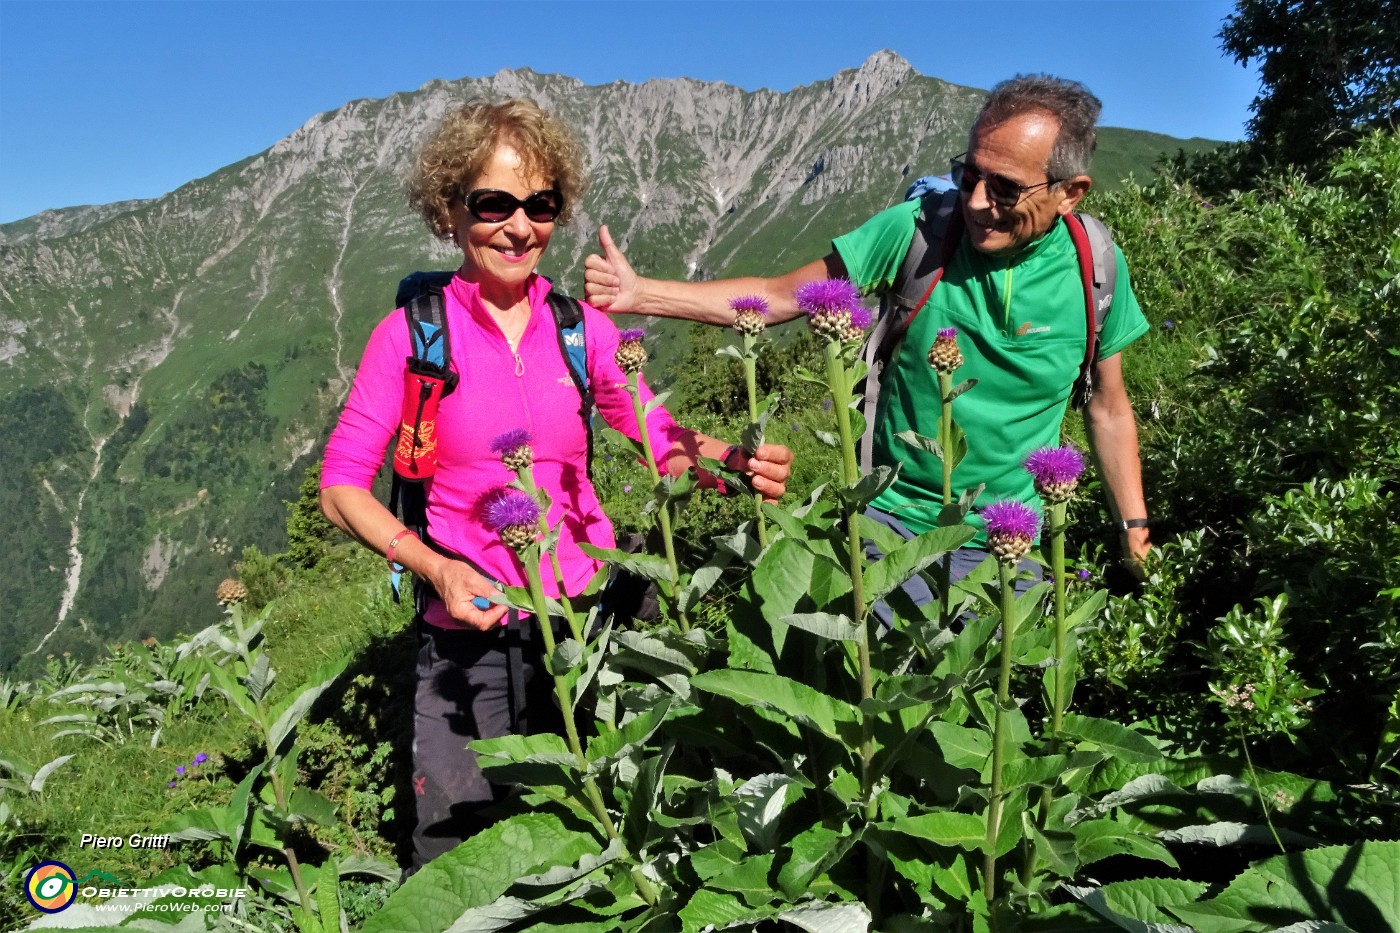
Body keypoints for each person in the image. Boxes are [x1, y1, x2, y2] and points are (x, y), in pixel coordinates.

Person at [319, 98, 793, 869]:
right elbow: (341, 484)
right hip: (468, 630)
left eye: (540, 205)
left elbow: (653, 437)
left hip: (587, 620)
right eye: (493, 204)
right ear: (450, 212)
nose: (519, 226)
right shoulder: (413, 334)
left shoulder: (580, 330)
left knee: (603, 822)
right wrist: (435, 566)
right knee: (453, 849)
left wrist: (735, 464)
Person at [585, 75, 1152, 613]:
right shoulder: (919, 231)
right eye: (969, 174)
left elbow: (1108, 406)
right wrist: (640, 293)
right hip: (893, 527)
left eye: (1005, 188)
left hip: (1012, 540)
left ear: (1070, 193)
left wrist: (1133, 530)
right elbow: (777, 296)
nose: (977, 201)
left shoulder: (1095, 269)